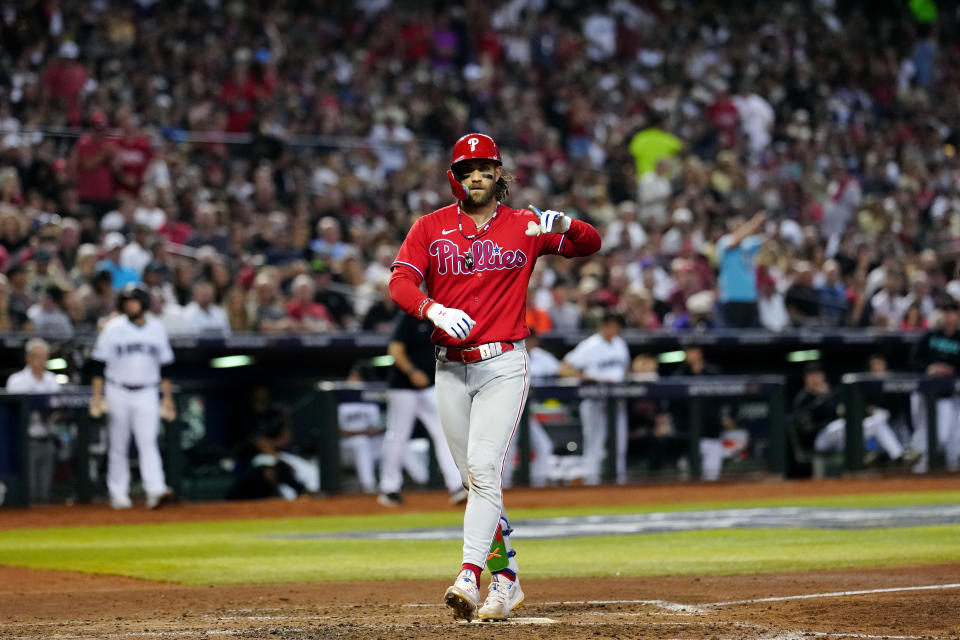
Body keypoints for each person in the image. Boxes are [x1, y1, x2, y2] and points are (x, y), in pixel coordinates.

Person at [388, 133, 601, 621]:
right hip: (449, 366)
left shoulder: (525, 224)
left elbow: (591, 243)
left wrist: (566, 223)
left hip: (503, 362)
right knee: (472, 480)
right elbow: (400, 279)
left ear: (498, 174)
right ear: (455, 177)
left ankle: (469, 573)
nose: (476, 176)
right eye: (467, 169)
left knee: (484, 470)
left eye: (484, 168)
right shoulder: (431, 226)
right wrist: (431, 308)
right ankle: (507, 580)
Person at [88, 283, 176, 509]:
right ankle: (118, 494)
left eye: (134, 301)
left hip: (147, 390)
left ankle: (155, 490)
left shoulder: (156, 328)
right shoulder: (113, 328)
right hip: (118, 389)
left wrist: (167, 397)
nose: (130, 305)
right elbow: (97, 364)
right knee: (118, 444)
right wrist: (97, 396)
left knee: (149, 442)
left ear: (144, 303)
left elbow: (166, 366)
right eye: (126, 301)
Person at [378, 312, 466, 507]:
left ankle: (456, 485)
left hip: (429, 385)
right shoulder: (410, 316)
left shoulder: (442, 318)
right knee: (398, 435)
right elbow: (395, 349)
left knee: (444, 433)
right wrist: (411, 372)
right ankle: (389, 488)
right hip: (403, 386)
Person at [558, 312, 631, 486]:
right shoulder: (590, 345)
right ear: (603, 326)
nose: (614, 329)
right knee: (594, 445)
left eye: (616, 326)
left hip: (617, 399)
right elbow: (564, 368)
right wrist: (590, 379)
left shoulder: (620, 343)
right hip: (594, 399)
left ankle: (619, 483)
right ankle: (592, 485)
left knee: (620, 445)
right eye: (610, 325)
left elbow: (625, 367)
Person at [794, 363, 905, 471]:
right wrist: (825, 399)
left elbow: (840, 411)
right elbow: (806, 429)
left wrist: (827, 397)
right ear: (806, 378)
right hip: (820, 440)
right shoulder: (803, 398)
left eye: (818, 375)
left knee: (877, 422)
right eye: (812, 375)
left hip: (841, 437)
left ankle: (898, 457)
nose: (816, 379)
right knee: (846, 425)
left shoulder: (830, 393)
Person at [665, 346, 736, 481]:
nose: (689, 355)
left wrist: (728, 416)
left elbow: (729, 399)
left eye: (692, 351)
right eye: (687, 352)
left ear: (699, 353)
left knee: (712, 476)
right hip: (687, 434)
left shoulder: (714, 373)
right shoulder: (679, 375)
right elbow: (671, 405)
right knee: (688, 475)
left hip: (712, 430)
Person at [5, 338, 63, 502]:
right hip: (26, 441)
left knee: (45, 491)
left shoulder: (52, 379)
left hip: (48, 438)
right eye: (38, 356)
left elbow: (59, 407)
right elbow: (17, 410)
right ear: (28, 358)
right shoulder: (17, 380)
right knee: (29, 491)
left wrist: (53, 414)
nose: (42, 361)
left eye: (45, 356)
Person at [909, 298, 960, 472]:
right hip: (925, 393)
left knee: (946, 436)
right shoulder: (931, 335)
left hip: (948, 395)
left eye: (952, 311)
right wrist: (930, 367)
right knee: (922, 430)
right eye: (945, 312)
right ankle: (923, 463)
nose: (948, 316)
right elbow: (914, 360)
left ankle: (943, 467)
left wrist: (951, 369)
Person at [715, 210, 766, 328]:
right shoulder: (724, 241)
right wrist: (754, 223)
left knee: (752, 340)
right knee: (733, 340)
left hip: (751, 298)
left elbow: (767, 242)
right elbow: (734, 241)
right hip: (732, 299)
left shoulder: (751, 243)